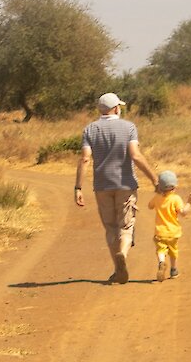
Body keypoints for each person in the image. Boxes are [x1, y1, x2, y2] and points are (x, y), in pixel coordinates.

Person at [75, 92, 160, 285]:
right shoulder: (129, 127)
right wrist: (154, 179)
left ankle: (116, 268)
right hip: (126, 184)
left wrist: (78, 187)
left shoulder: (90, 129)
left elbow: (85, 159)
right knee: (126, 225)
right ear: (115, 108)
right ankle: (123, 252)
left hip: (102, 185)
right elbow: (135, 156)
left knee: (111, 227)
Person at [149, 170, 191, 282]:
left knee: (161, 250)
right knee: (173, 251)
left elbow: (150, 206)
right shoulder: (176, 199)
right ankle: (173, 270)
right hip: (173, 232)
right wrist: (189, 202)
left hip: (160, 232)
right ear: (174, 186)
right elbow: (183, 213)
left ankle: (161, 262)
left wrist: (157, 196)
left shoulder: (157, 198)